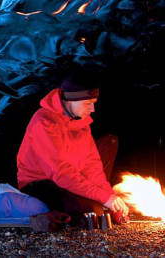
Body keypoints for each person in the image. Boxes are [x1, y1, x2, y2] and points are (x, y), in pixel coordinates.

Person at [17, 73, 129, 226]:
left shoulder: (81, 121)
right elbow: (61, 172)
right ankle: (46, 219)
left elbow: (92, 167)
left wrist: (109, 196)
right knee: (91, 214)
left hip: (68, 179)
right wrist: (103, 199)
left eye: (94, 102)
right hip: (40, 183)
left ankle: (84, 210)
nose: (93, 109)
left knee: (97, 211)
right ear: (71, 99)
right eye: (88, 103)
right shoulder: (44, 123)